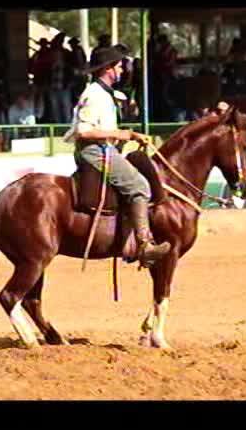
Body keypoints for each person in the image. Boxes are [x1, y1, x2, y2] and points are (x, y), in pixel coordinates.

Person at [63, 46, 171, 268]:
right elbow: (83, 131)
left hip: (104, 149)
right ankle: (144, 245)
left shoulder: (104, 94)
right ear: (108, 69)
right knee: (140, 186)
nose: (122, 70)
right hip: (95, 152)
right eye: (119, 66)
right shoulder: (94, 94)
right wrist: (123, 134)